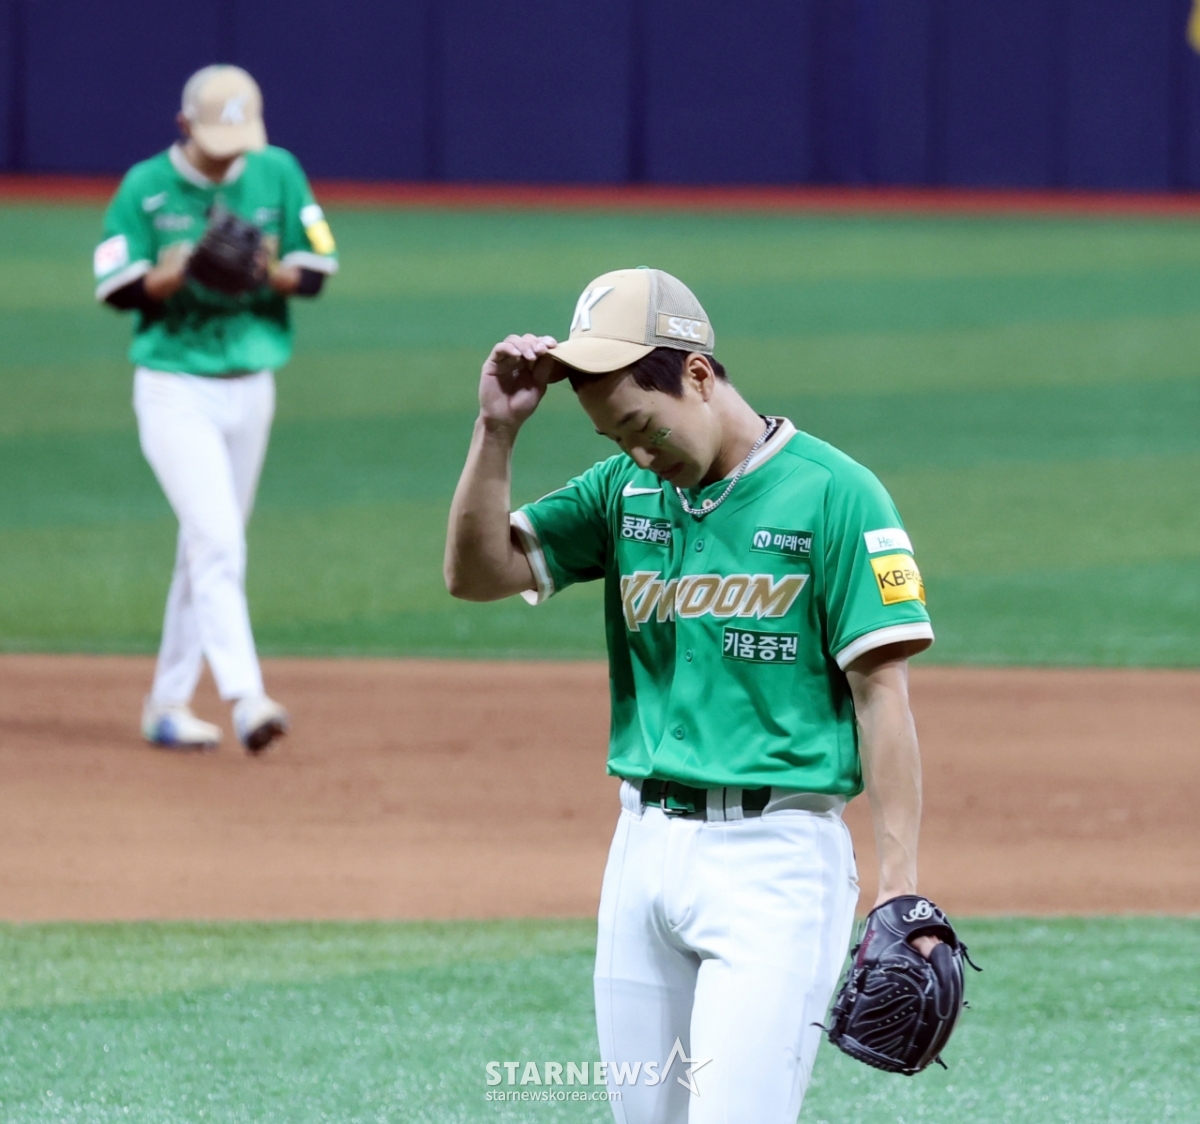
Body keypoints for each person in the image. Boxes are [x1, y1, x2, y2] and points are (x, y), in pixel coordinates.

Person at [444, 268, 939, 1122]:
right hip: (640, 852)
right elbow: (477, 573)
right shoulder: (625, 491)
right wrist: (496, 432)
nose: (639, 453)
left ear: (699, 374)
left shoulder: (836, 494)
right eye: (615, 437)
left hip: (776, 862)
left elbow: (882, 697)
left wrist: (899, 887)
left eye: (643, 426)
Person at [92, 65, 338, 751]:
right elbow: (115, 287)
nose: (231, 156)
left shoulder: (277, 171)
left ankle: (168, 704)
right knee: (220, 541)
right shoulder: (145, 187)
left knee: (206, 547)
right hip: (174, 387)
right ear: (183, 126)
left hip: (253, 386)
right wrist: (171, 274)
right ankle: (246, 697)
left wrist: (269, 271)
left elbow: (316, 271)